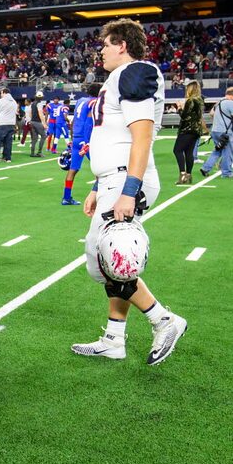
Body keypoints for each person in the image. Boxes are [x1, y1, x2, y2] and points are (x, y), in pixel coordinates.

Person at [71, 18, 186, 365]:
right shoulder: (118, 78)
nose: (100, 51)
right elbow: (115, 136)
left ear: (122, 44)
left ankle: (163, 319)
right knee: (106, 260)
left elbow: (142, 135)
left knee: (110, 261)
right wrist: (97, 185)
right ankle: (114, 339)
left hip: (125, 181)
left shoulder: (136, 72)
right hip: (113, 179)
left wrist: (128, 190)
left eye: (105, 44)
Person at [62, 83, 101, 205]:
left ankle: (66, 197)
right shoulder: (94, 102)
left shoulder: (80, 100)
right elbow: (89, 122)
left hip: (77, 138)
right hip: (86, 139)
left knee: (73, 169)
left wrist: (73, 138)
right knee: (99, 169)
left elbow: (74, 121)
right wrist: (88, 141)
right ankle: (100, 197)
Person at [173, 80, 207, 185]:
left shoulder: (191, 100)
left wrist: (179, 108)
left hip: (187, 129)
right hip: (196, 131)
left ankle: (182, 174)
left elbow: (184, 117)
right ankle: (188, 175)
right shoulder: (200, 100)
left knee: (177, 150)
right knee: (189, 152)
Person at [198, 87, 233, 178]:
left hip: (215, 130)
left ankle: (206, 168)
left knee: (218, 150)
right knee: (228, 152)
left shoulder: (219, 102)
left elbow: (211, 113)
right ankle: (226, 172)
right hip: (225, 132)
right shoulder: (230, 103)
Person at [0, 87, 17, 163]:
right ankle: (7, 158)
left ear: (4, 92)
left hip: (2, 123)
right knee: (8, 141)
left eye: (1, 93)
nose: (0, 95)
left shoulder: (1, 101)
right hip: (11, 123)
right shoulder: (14, 102)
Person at [30, 91, 48, 156]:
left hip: (32, 121)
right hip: (37, 122)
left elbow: (30, 113)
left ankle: (32, 153)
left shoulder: (33, 103)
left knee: (34, 138)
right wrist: (44, 123)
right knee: (43, 136)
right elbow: (40, 113)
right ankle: (39, 152)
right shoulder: (39, 104)